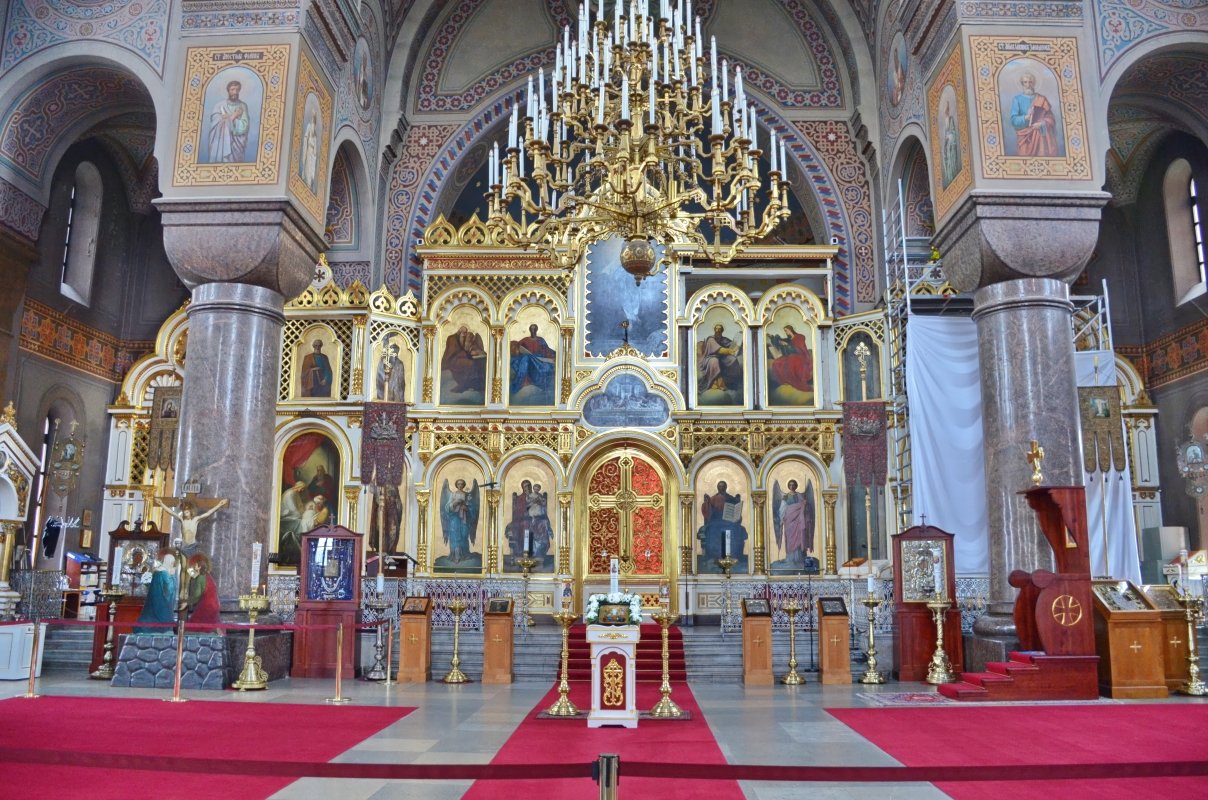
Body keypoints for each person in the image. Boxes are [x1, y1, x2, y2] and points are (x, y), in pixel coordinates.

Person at [1009, 71, 1060, 157]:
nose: (1028, 85)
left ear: (1034, 83)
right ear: (1022, 84)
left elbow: (1051, 118)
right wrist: (1026, 117)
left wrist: (1042, 123)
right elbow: (1013, 120)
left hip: (1040, 135)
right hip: (1025, 137)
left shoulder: (1042, 99)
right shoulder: (1017, 99)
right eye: (1025, 82)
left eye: (1030, 82)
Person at [697, 480, 747, 564]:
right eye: (720, 486)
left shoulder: (731, 498)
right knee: (711, 530)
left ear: (726, 487)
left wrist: (737, 503)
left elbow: (737, 513)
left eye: (723, 486)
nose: (721, 488)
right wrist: (707, 503)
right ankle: (713, 556)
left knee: (737, 529)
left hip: (729, 522)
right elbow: (708, 513)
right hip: (716, 521)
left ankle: (734, 555)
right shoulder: (713, 499)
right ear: (717, 487)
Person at [509, 323, 556, 402]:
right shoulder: (525, 340)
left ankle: (524, 382)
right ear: (530, 330)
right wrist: (515, 348)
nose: (533, 331)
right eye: (531, 329)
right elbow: (516, 346)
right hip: (528, 357)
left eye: (534, 329)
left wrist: (554, 355)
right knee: (525, 358)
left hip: (538, 360)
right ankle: (522, 382)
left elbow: (547, 350)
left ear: (536, 330)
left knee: (527, 358)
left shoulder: (540, 340)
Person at [135, 551, 179, 633]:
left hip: (155, 599)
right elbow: (169, 589)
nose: (172, 565)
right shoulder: (164, 573)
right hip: (162, 602)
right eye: (172, 563)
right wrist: (173, 576)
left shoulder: (158, 571)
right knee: (161, 619)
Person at [208, 79, 251, 163]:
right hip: (222, 142)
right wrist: (233, 116)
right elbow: (215, 124)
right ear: (228, 90)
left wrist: (229, 118)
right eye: (232, 89)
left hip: (237, 144)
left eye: (237, 90)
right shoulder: (219, 106)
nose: (235, 92)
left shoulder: (243, 106)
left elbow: (244, 126)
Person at [156, 497, 229, 546]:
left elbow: (208, 513)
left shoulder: (195, 519)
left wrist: (220, 504)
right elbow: (171, 512)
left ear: (191, 512)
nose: (185, 513)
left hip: (193, 546)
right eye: (184, 512)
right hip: (184, 546)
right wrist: (161, 503)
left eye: (187, 512)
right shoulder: (182, 519)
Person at [441, 325, 487, 398]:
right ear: (459, 332)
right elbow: (453, 352)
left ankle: (474, 384)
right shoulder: (452, 339)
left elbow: (466, 348)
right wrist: (465, 353)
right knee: (471, 364)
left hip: (461, 357)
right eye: (463, 333)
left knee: (477, 363)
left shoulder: (464, 338)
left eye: (466, 333)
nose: (464, 335)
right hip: (453, 360)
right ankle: (465, 384)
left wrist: (470, 352)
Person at [440, 478, 479, 564]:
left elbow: (472, 507)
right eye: (458, 484)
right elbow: (447, 507)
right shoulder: (453, 494)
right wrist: (455, 503)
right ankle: (456, 555)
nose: (460, 485)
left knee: (464, 535)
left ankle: (464, 554)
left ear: (464, 485)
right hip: (454, 518)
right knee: (455, 535)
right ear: (456, 485)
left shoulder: (467, 494)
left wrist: (467, 508)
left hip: (464, 518)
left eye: (461, 484)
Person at [697, 323, 743, 396]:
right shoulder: (710, 339)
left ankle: (731, 383)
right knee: (714, 361)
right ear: (714, 330)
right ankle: (714, 383)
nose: (718, 331)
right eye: (716, 329)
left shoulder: (724, 339)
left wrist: (739, 342)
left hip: (722, 357)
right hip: (709, 358)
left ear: (722, 331)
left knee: (733, 359)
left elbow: (732, 345)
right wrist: (729, 351)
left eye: (719, 329)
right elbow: (720, 350)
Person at [767, 325, 813, 396]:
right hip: (792, 356)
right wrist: (771, 337)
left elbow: (799, 350)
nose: (786, 332)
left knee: (791, 360)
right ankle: (785, 380)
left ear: (790, 329)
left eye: (786, 330)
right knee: (777, 362)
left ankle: (791, 380)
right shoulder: (789, 339)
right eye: (785, 331)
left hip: (801, 356)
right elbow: (780, 341)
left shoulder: (799, 337)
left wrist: (787, 345)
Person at [278, 480, 309, 564]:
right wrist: (300, 513)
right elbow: (293, 508)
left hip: (293, 514)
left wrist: (303, 511)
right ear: (298, 487)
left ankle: (299, 538)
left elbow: (300, 506)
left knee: (302, 519)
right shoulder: (290, 494)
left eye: (303, 489)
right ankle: (299, 537)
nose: (302, 490)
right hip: (286, 515)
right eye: (301, 488)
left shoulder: (296, 494)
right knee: (299, 522)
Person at [941, 108, 960, 186]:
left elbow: (953, 132)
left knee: (951, 160)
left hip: (951, 145)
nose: (945, 115)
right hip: (948, 145)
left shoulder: (951, 119)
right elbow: (946, 135)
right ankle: (949, 176)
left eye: (946, 113)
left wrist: (949, 137)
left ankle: (953, 173)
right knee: (946, 158)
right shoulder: (946, 123)